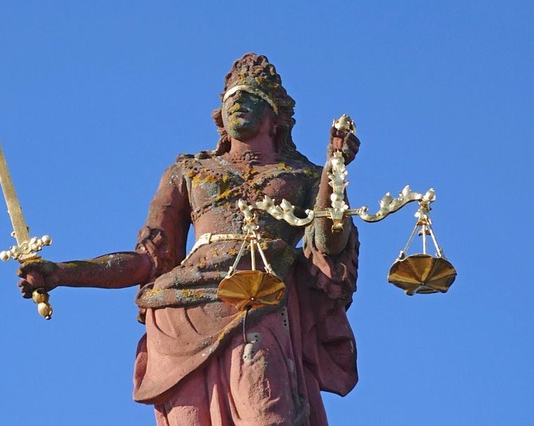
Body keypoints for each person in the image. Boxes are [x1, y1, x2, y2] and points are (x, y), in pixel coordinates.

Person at [19, 53, 361, 425]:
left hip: (258, 294)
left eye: (249, 97)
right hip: (180, 312)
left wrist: (335, 172)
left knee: (269, 412)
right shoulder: (191, 172)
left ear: (275, 115)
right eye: (230, 99)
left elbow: (328, 243)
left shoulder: (305, 175)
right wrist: (61, 273)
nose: (237, 105)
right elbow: (149, 260)